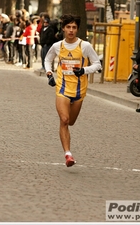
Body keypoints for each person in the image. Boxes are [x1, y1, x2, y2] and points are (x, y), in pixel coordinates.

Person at [44, 14, 101, 167]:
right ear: (63, 28)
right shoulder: (58, 46)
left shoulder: (85, 46)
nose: (71, 30)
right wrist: (49, 73)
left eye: (74, 27)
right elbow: (48, 59)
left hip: (79, 91)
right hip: (62, 88)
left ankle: (67, 149)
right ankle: (68, 154)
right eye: (68, 27)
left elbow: (97, 64)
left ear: (77, 29)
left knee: (72, 122)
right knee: (64, 120)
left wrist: (83, 70)